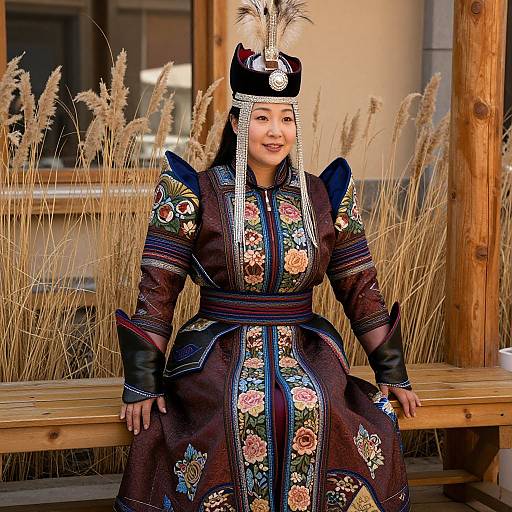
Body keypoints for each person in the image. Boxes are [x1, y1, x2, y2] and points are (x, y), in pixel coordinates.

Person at [114, 2, 420, 511]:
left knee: (313, 404)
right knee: (244, 409)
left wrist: (393, 372)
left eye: (285, 118)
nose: (275, 131)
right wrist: (142, 382)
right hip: (218, 351)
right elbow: (157, 289)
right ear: (238, 121)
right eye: (261, 117)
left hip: (306, 347)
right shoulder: (195, 193)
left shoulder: (325, 196)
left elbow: (359, 286)